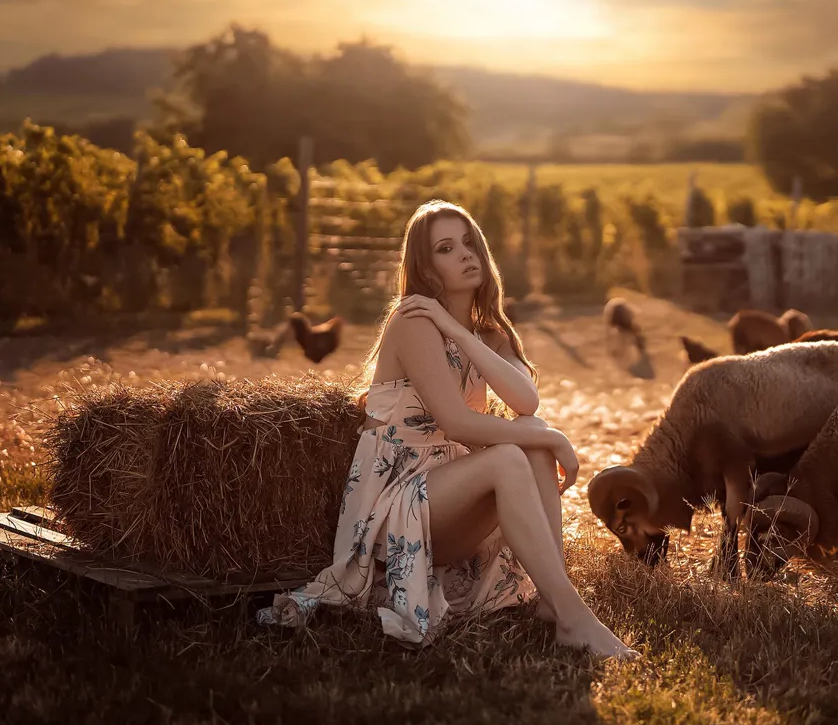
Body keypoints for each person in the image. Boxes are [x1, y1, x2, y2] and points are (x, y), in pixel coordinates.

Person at [257, 200, 637, 660]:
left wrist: (459, 331)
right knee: (521, 447)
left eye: (469, 242)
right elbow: (455, 422)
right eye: (446, 247)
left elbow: (526, 402)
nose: (465, 253)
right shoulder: (413, 320)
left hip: (449, 491)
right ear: (425, 266)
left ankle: (555, 608)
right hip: (398, 500)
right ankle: (575, 617)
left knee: (529, 432)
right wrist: (554, 438)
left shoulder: (487, 333)